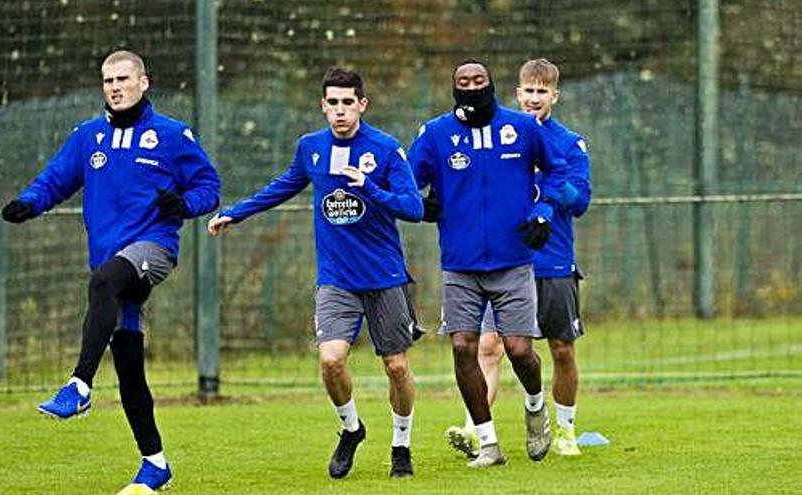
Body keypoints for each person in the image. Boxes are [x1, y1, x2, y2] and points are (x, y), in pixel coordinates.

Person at [1, 50, 221, 494]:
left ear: (144, 82)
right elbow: (54, 180)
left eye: (123, 78)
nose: (114, 87)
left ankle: (79, 385)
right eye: (107, 81)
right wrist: (29, 202)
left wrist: (186, 205)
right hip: (109, 263)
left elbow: (209, 187)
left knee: (104, 281)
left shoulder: (173, 135)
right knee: (128, 364)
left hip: (153, 249)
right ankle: (155, 464)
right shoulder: (88, 137)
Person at [208, 68, 423, 479]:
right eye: (333, 103)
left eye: (348, 102)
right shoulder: (311, 148)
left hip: (385, 277)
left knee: (396, 366)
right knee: (330, 360)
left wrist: (370, 189)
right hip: (336, 278)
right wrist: (236, 212)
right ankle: (351, 429)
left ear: (362, 105)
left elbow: (413, 208)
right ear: (323, 106)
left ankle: (401, 445)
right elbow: (282, 186)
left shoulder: (386, 148)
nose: (340, 111)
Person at [409, 59, 570, 468]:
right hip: (460, 263)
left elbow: (555, 170)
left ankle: (536, 407)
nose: (471, 86)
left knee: (519, 350)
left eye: (478, 80)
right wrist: (418, 204)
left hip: (513, 259)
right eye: (463, 82)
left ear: (491, 84)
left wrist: (545, 210)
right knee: (464, 347)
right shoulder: (436, 134)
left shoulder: (523, 127)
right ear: (453, 88)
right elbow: (409, 180)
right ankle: (488, 443)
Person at [441, 58, 592, 458]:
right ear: (517, 93)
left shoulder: (569, 143)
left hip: (552, 261)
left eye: (543, 91)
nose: (534, 98)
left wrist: (545, 197)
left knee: (561, 349)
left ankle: (565, 430)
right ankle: (476, 429)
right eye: (528, 90)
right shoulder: (497, 135)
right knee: (488, 346)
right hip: (503, 264)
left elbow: (581, 200)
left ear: (554, 97)